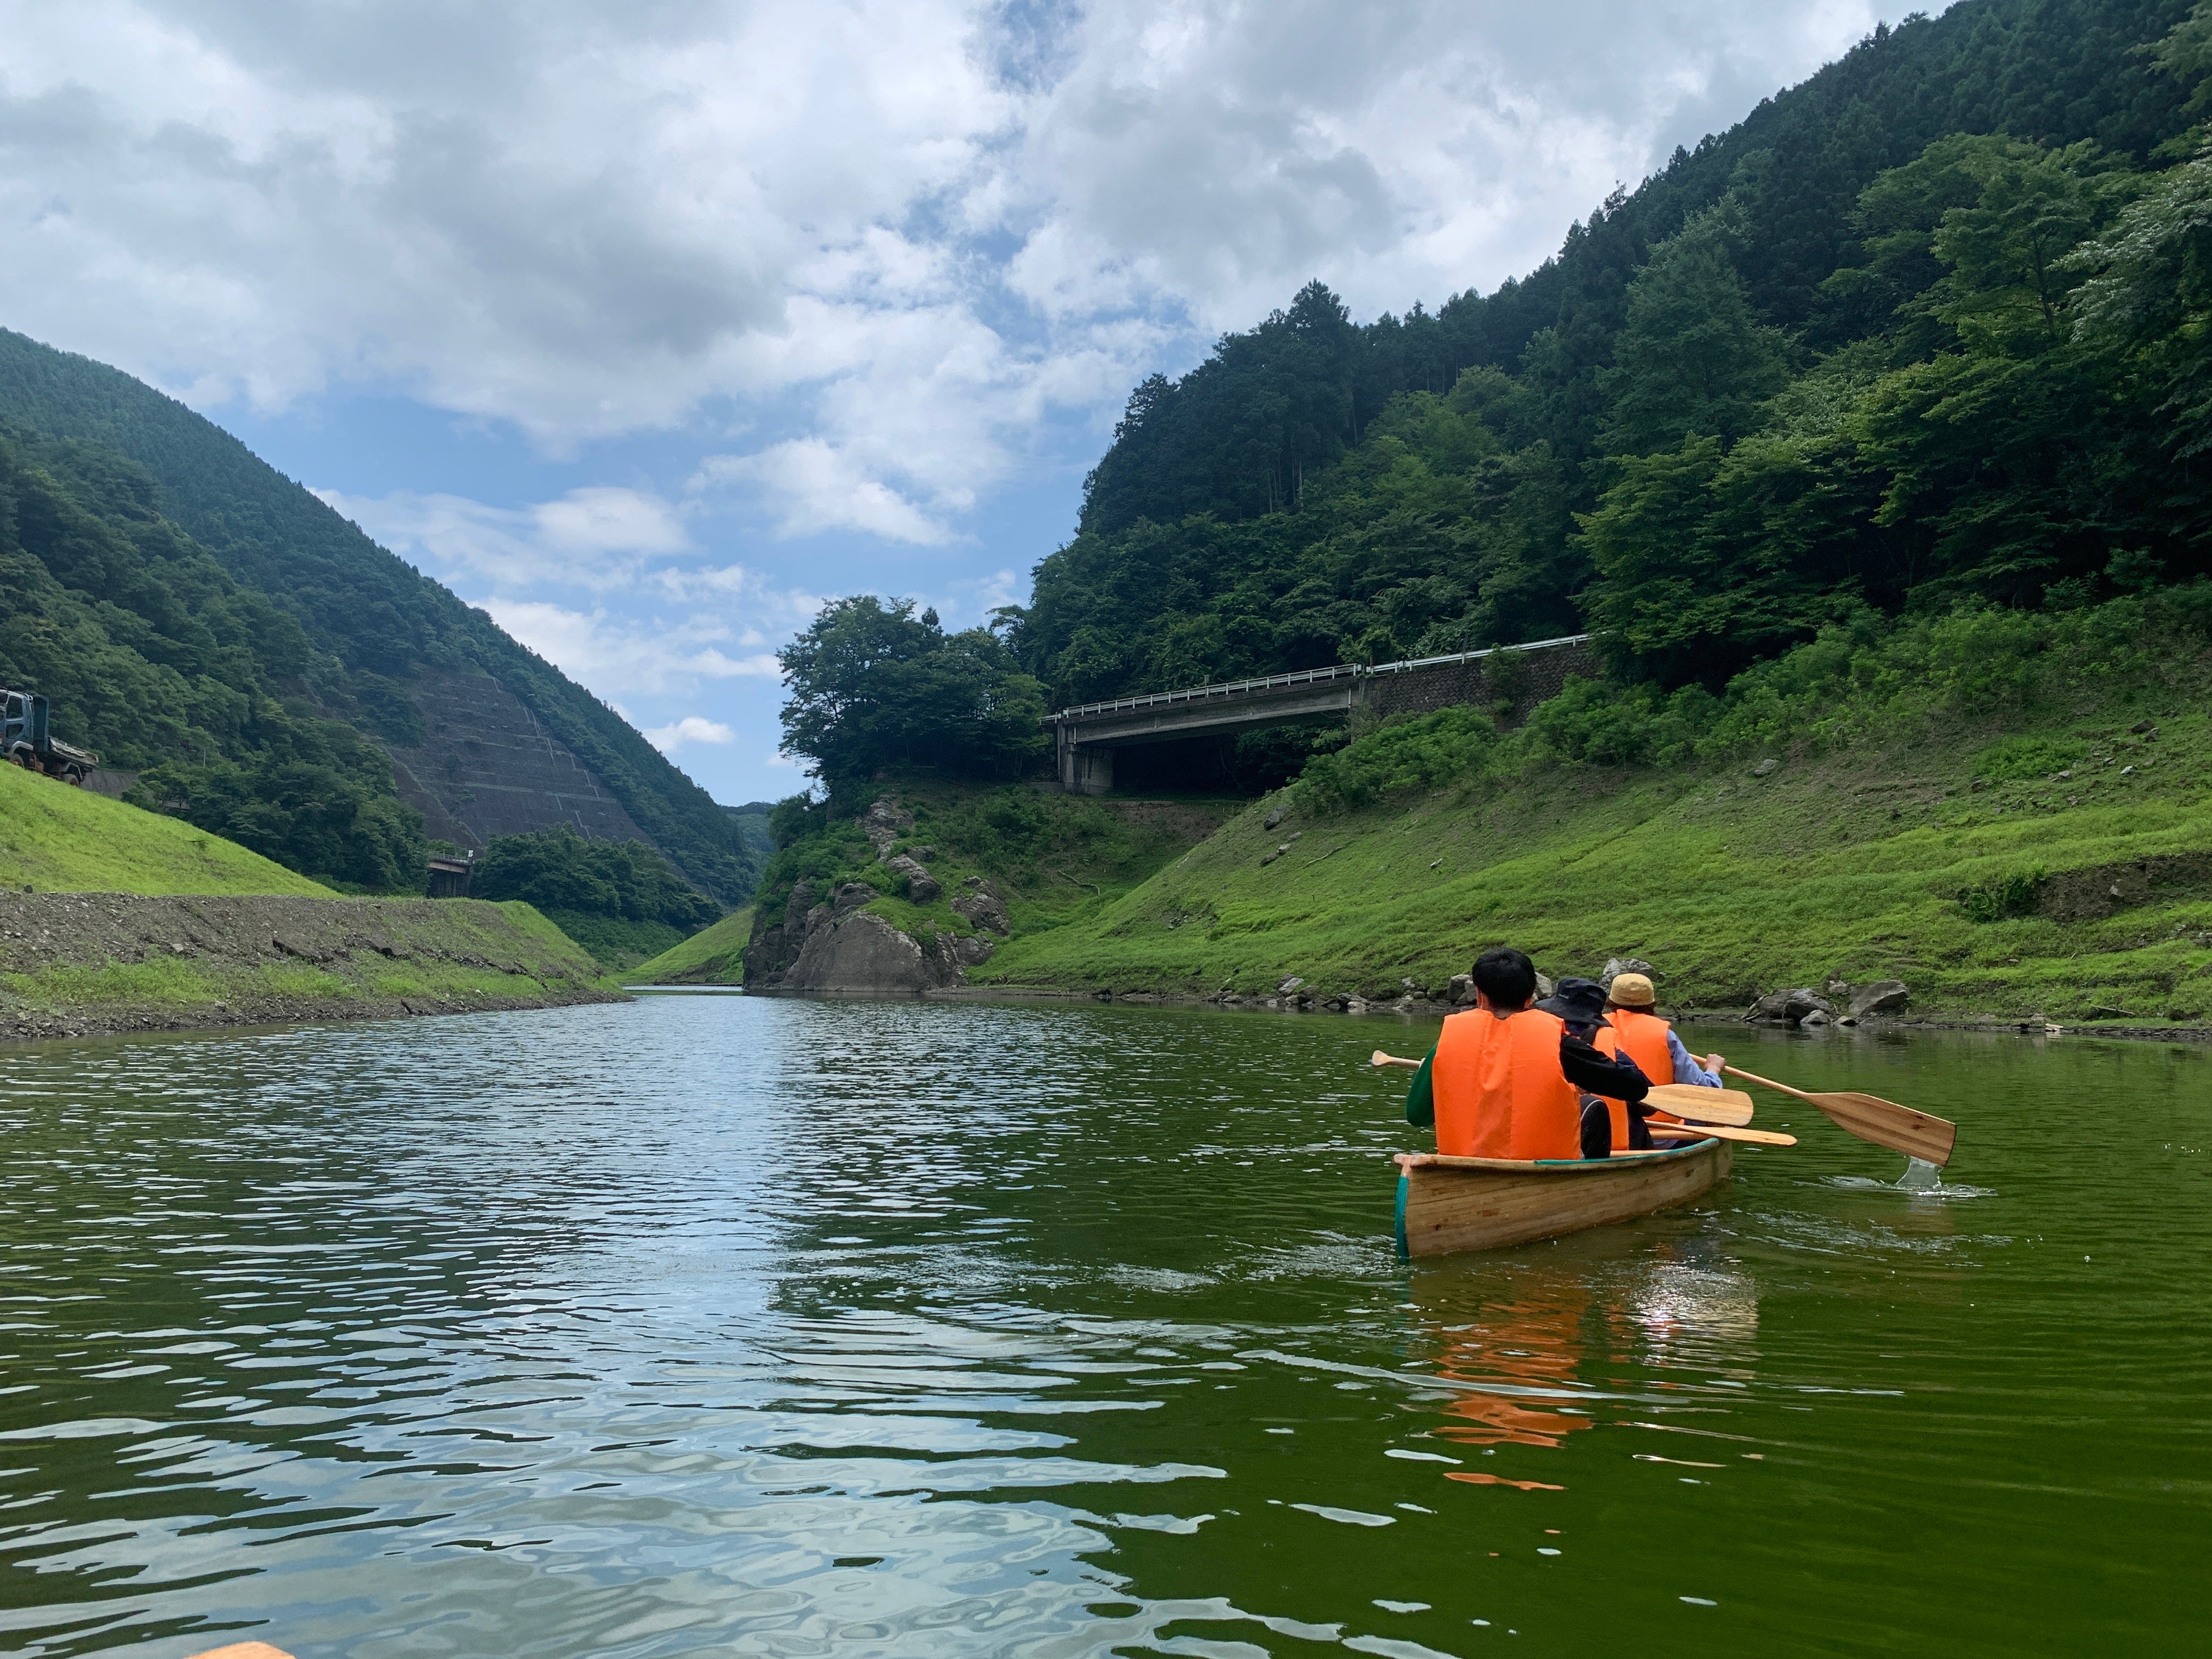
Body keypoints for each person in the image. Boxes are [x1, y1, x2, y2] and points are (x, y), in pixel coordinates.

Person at [1402, 949, 1652, 1162]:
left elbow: (1417, 1116)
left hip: (1466, 1167)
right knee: (1591, 1106)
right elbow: (1635, 1088)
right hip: (1540, 1170)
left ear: (1479, 994)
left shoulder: (1446, 1044)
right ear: (1531, 995)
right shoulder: (1559, 1044)